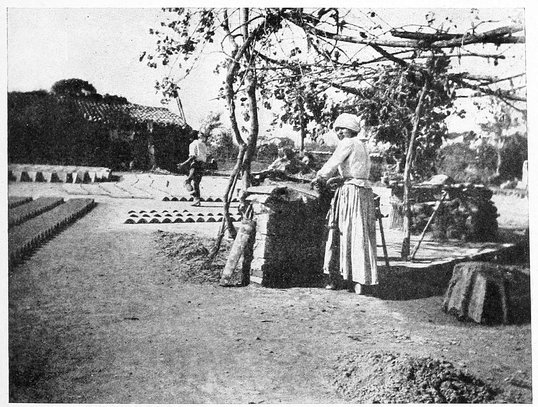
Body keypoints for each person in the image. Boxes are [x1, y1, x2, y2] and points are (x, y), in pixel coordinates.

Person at [312, 113, 378, 295]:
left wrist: (320, 177)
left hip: (351, 192)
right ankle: (360, 279)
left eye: (342, 129)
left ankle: (340, 277)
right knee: (360, 233)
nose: (339, 132)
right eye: (337, 129)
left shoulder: (348, 143)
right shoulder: (363, 145)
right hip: (364, 190)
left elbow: (333, 163)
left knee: (344, 231)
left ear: (351, 129)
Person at [179, 130, 209, 207]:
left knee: (187, 182)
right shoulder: (203, 144)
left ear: (191, 137)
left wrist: (183, 164)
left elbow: (192, 156)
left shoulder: (192, 144)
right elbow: (206, 155)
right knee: (196, 183)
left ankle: (195, 196)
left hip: (195, 164)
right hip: (202, 165)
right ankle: (197, 200)